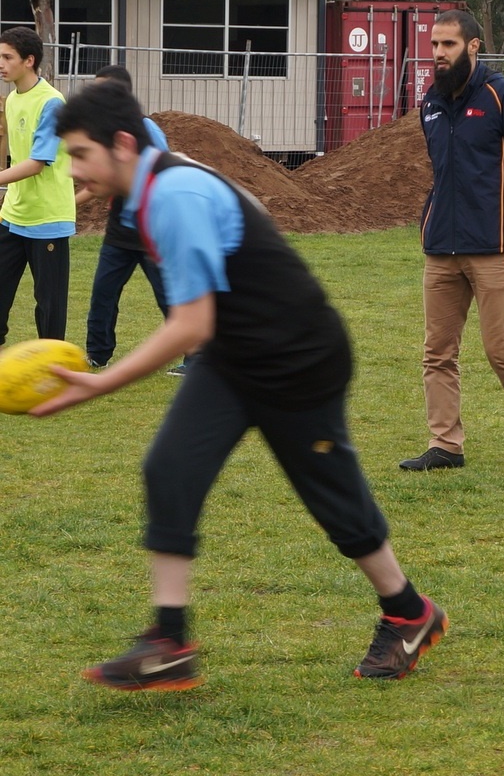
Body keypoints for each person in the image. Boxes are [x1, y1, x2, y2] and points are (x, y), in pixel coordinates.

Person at [33, 80, 448, 690]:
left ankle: (411, 613)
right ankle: (170, 641)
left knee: (328, 493)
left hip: (298, 356)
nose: (73, 169)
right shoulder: (143, 191)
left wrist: (101, 383)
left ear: (122, 144)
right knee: (169, 468)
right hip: (232, 356)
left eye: (79, 154)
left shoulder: (173, 193)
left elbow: (190, 322)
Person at [400, 9, 504, 472]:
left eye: (448, 45)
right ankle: (446, 446)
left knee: (502, 350)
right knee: (437, 352)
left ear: (473, 46)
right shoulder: (430, 104)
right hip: (441, 249)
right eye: (434, 45)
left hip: (496, 248)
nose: (437, 54)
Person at [77, 64, 188, 375]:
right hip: (119, 231)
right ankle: (98, 355)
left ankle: (196, 359)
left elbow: (164, 173)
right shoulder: (102, 135)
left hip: (152, 230)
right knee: (103, 293)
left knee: (170, 297)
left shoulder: (146, 129)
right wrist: (67, 204)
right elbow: (102, 181)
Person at [0, 26, 75, 350]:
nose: (0, 63)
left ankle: (52, 366)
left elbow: (36, 162)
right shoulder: (13, 99)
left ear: (29, 60)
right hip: (14, 215)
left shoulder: (52, 102)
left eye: (7, 57)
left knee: (49, 304)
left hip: (47, 218)